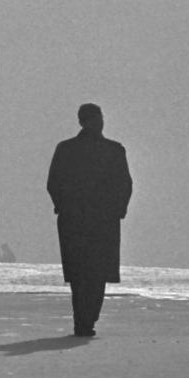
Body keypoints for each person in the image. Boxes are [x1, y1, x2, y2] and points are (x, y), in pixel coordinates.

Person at [47, 102, 132, 337]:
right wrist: (117, 209)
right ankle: (86, 320)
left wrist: (64, 206)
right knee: (93, 274)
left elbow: (53, 183)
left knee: (82, 274)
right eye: (97, 118)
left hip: (77, 220)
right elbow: (125, 184)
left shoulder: (68, 149)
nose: (100, 122)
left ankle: (84, 321)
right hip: (100, 221)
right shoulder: (112, 150)